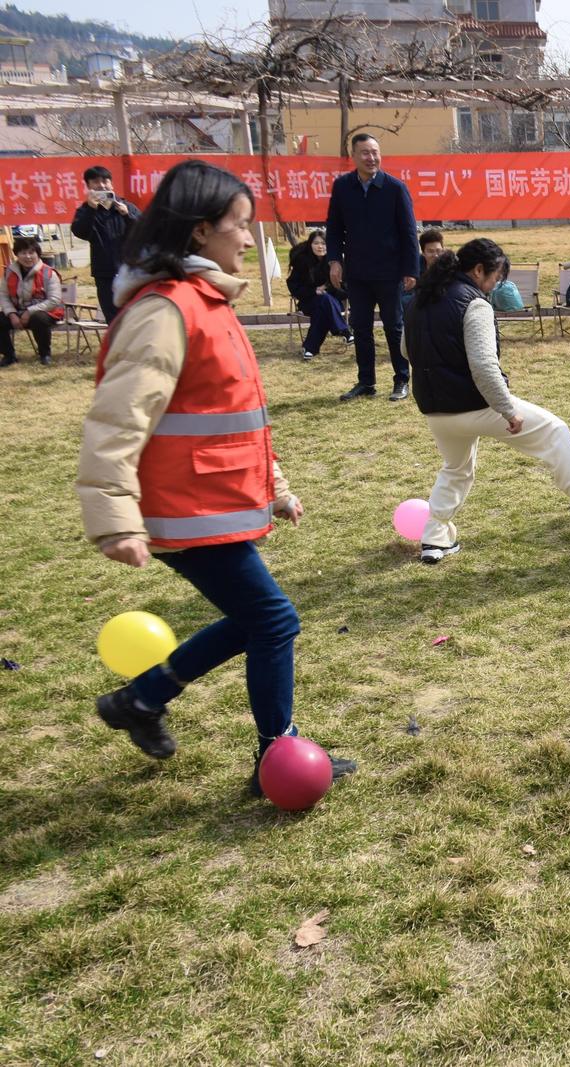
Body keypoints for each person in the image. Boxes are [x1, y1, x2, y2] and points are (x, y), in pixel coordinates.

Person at [75, 160, 356, 796]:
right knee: (275, 620)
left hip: (213, 499)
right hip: (183, 507)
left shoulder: (207, 302)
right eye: (240, 225)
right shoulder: (164, 312)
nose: (248, 239)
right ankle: (272, 757)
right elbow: (117, 420)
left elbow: (234, 414)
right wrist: (113, 515)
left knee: (258, 618)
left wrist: (273, 485)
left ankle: (142, 700)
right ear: (201, 231)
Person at [404, 237, 570, 564]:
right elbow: (483, 366)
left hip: (435, 410)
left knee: (456, 468)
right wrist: (508, 410)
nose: (496, 284)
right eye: (495, 276)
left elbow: (405, 351)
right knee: (554, 431)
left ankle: (435, 537)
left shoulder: (418, 300)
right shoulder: (473, 303)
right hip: (474, 405)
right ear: (479, 270)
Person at [326, 133, 420, 403]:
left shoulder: (394, 188)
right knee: (361, 327)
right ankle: (366, 382)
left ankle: (402, 378)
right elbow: (333, 228)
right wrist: (335, 260)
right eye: (365, 153)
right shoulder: (343, 187)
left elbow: (408, 232)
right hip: (357, 272)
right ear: (353, 156)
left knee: (394, 327)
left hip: (389, 272)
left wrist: (410, 270)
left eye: (375, 152)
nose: (371, 158)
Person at [70, 164, 141, 321]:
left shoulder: (126, 207)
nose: (101, 185)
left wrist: (127, 215)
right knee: (113, 319)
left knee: (135, 316)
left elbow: (144, 231)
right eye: (95, 182)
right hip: (104, 274)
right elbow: (80, 232)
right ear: (89, 186)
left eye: (105, 181)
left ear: (111, 184)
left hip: (130, 270)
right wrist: (91, 209)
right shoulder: (85, 210)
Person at [285, 229, 352, 362]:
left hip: (333, 302)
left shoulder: (335, 263)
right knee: (323, 301)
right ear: (310, 245)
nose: (320, 246)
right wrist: (314, 290)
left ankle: (310, 348)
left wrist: (328, 288)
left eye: (323, 243)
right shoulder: (302, 262)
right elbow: (293, 286)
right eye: (316, 243)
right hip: (309, 301)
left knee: (323, 305)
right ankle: (344, 331)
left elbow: (346, 287)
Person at [0, 234, 63, 366]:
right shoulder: (9, 271)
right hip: (18, 312)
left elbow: (54, 300)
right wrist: (11, 314)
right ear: (17, 254)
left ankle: (44, 354)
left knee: (38, 319)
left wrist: (29, 312)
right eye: (23, 253)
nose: (28, 257)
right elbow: (4, 295)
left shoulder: (48, 272)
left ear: (37, 254)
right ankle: (9, 355)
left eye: (31, 253)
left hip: (46, 312)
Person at [400, 228, 446, 319]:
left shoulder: (450, 268)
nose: (436, 255)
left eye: (438, 251)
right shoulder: (412, 271)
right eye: (430, 251)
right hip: (418, 316)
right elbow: (403, 300)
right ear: (423, 253)